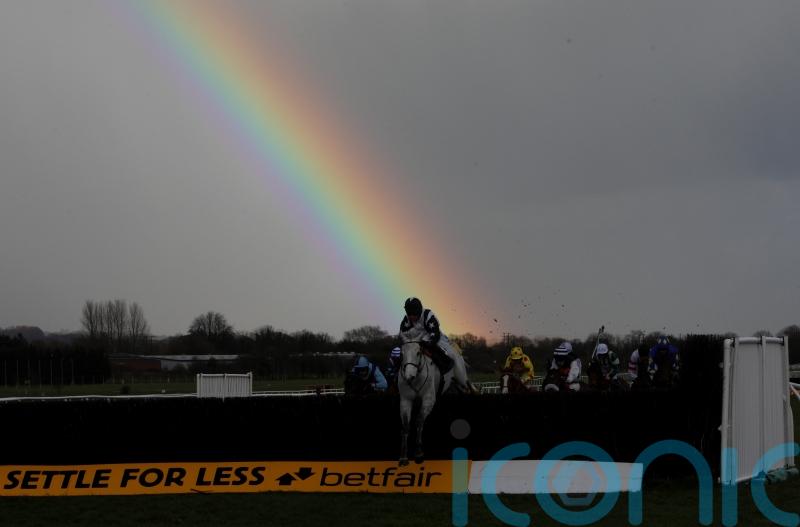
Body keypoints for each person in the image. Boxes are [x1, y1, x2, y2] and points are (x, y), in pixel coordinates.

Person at [399, 297, 470, 391]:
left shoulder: (428, 315)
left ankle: (462, 379)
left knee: (452, 354)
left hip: (436, 339)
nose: (411, 317)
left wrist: (424, 344)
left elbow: (434, 335)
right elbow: (402, 334)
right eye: (409, 314)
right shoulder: (407, 319)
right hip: (417, 342)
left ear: (419, 311)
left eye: (413, 314)